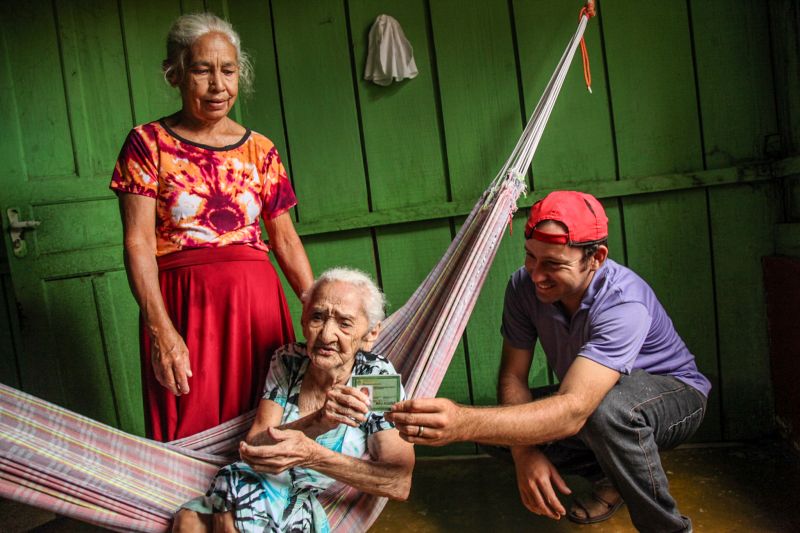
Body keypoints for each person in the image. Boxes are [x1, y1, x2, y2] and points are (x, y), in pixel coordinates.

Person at [387, 191, 710, 532]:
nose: (536, 275)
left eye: (553, 264)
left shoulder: (623, 301)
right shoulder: (522, 287)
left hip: (675, 395)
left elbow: (574, 410)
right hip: (593, 399)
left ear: (596, 258)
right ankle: (612, 477)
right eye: (531, 257)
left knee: (604, 412)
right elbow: (514, 378)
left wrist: (461, 423)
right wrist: (524, 453)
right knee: (497, 429)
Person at [110, 13, 313, 441]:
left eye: (228, 70)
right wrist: (161, 330)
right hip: (185, 309)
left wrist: (319, 310)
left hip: (258, 309)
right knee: (189, 427)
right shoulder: (147, 144)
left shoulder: (260, 149)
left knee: (269, 427)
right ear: (175, 74)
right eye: (202, 70)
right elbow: (138, 243)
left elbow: (285, 240)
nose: (218, 85)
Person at [173, 268, 415, 532]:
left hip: (315, 498)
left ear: (371, 333)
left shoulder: (375, 378)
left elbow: (398, 482)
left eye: (344, 323)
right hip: (260, 479)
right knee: (188, 520)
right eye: (317, 317)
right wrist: (318, 422)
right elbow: (254, 445)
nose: (326, 335)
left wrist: (312, 456)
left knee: (229, 520)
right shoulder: (289, 360)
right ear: (303, 320)